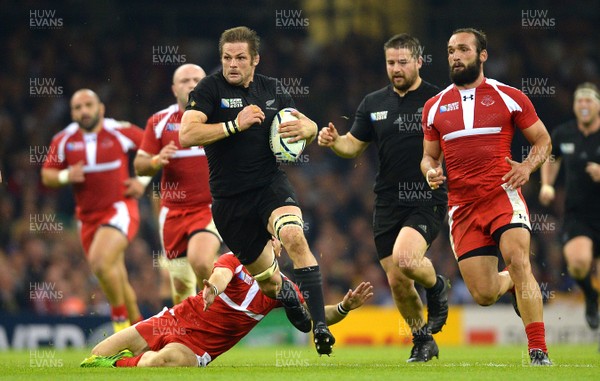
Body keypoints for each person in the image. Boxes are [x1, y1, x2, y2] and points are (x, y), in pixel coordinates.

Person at [179, 26, 334, 355]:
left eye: (240, 58)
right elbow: (187, 134)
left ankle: (319, 326)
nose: (232, 64)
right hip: (229, 203)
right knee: (267, 281)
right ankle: (287, 293)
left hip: (269, 186)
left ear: (255, 60)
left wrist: (311, 128)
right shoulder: (209, 89)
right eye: (226, 58)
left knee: (293, 236)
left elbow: (301, 128)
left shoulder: (273, 90)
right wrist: (235, 123)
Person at [420, 28, 552, 365]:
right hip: (462, 208)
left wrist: (527, 167)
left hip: (502, 196)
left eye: (463, 49)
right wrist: (430, 172)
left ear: (482, 55)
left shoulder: (509, 96)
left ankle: (538, 351)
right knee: (483, 295)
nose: (455, 56)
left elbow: (542, 141)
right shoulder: (434, 107)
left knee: (519, 261)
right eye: (450, 50)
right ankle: (509, 283)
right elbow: (429, 157)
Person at [318, 33, 450, 362]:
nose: (396, 68)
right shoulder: (373, 103)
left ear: (419, 62)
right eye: (391, 62)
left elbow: (454, 145)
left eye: (403, 61)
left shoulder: (438, 100)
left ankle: (436, 287)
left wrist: (440, 170)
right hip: (387, 202)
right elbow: (352, 146)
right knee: (398, 281)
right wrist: (334, 140)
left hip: (426, 195)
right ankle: (422, 340)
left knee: (407, 259)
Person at [80, 249, 373, 368]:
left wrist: (345, 307)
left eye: (274, 241)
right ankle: (113, 362)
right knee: (95, 355)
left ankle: (119, 366)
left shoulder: (283, 289)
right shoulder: (234, 259)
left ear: (279, 250)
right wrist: (213, 289)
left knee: (157, 363)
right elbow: (221, 275)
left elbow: (311, 319)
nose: (269, 245)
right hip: (171, 321)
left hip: (197, 348)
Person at [41, 89, 147, 332]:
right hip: (87, 220)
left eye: (89, 105)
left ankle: (119, 325)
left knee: (100, 262)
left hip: (120, 209)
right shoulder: (64, 139)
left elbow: (151, 150)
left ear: (101, 108)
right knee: (116, 275)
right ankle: (142, 333)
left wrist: (141, 182)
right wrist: (67, 174)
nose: (84, 111)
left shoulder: (119, 130)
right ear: (72, 113)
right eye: (78, 108)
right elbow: (47, 175)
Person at [134, 64, 222, 304]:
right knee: (181, 290)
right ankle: (190, 335)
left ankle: (225, 314)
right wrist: (156, 160)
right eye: (184, 80)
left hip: (209, 209)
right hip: (172, 213)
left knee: (202, 261)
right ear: (174, 89)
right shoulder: (159, 122)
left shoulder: (220, 118)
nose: (191, 84)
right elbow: (140, 165)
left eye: (197, 79)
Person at [539, 82, 600, 330]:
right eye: (579, 101)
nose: (583, 105)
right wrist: (547, 184)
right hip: (578, 214)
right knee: (577, 263)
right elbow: (551, 158)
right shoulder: (564, 133)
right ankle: (591, 295)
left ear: (598, 105)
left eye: (588, 101)